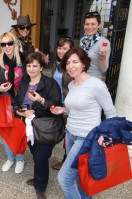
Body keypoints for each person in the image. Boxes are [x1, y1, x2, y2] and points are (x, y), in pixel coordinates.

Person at [50, 47, 116, 199]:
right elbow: (74, 108)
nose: (70, 66)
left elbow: (111, 112)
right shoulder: (72, 84)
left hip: (86, 138)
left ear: (84, 64)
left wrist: (107, 135)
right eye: (67, 63)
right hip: (71, 134)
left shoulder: (96, 85)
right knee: (81, 175)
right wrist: (63, 110)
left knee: (64, 178)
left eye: (75, 62)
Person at [15, 52, 62, 199]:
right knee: (36, 155)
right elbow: (16, 103)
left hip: (44, 126)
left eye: (35, 65)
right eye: (28, 65)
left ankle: (40, 188)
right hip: (28, 126)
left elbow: (56, 105)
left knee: (41, 157)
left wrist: (41, 100)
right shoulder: (23, 83)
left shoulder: (50, 83)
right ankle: (38, 178)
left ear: (41, 67)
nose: (31, 68)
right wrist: (21, 112)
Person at [0, 32, 25, 173]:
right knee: (6, 132)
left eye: (9, 43)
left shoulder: (23, 60)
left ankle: (20, 159)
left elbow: (31, 79)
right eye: (3, 44)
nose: (7, 47)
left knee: (19, 131)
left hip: (21, 101)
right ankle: (10, 158)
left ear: (14, 43)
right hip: (5, 101)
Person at [51, 37, 74, 170]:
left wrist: (67, 105)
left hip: (68, 106)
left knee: (69, 134)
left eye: (65, 48)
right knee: (63, 132)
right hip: (58, 103)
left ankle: (67, 161)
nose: (61, 51)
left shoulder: (72, 66)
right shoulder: (57, 63)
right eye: (59, 47)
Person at [80, 11, 111, 80]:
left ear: (99, 25)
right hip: (80, 77)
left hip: (93, 80)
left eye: (93, 24)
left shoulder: (104, 42)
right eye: (87, 24)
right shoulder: (82, 40)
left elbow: (103, 70)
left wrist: (102, 58)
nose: (89, 27)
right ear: (83, 25)